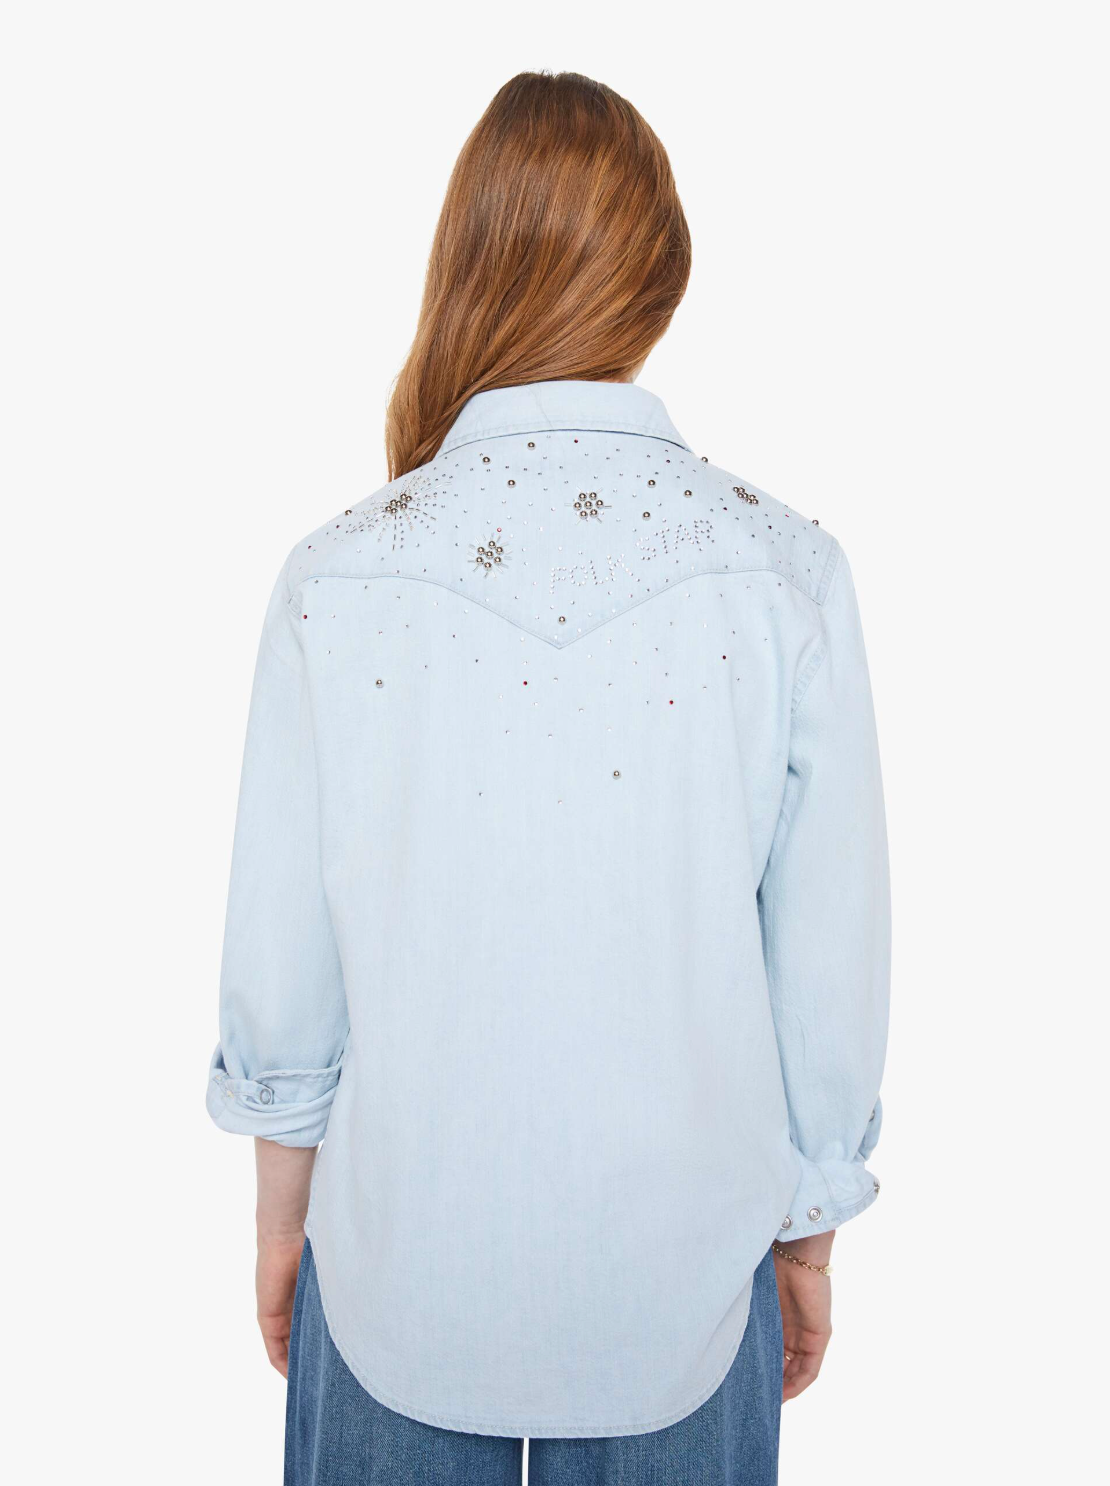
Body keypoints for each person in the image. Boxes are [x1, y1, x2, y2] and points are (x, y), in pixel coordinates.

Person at [207, 70, 890, 1486]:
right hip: (690, 1284)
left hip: (393, 1272)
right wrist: (809, 1235)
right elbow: (825, 967)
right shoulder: (783, 574)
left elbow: (286, 965)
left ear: (465, 259)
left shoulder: (335, 575)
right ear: (660, 272)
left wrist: (280, 1219)